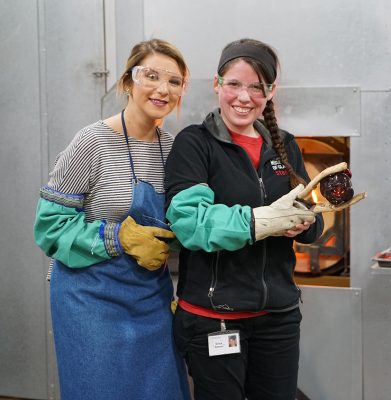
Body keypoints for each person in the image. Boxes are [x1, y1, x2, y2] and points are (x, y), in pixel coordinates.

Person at [165, 38, 324, 400]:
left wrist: (305, 224)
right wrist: (265, 220)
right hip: (214, 318)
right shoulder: (194, 144)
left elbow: (314, 221)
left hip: (278, 317)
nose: (244, 97)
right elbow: (190, 224)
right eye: (234, 84)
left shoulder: (285, 145)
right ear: (217, 85)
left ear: (270, 92)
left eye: (256, 87)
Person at [34, 38, 191, 400]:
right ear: (127, 82)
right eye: (150, 75)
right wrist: (118, 237)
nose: (162, 88)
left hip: (150, 297)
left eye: (174, 81)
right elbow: (49, 227)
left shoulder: (174, 149)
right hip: (89, 298)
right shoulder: (92, 142)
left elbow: (179, 222)